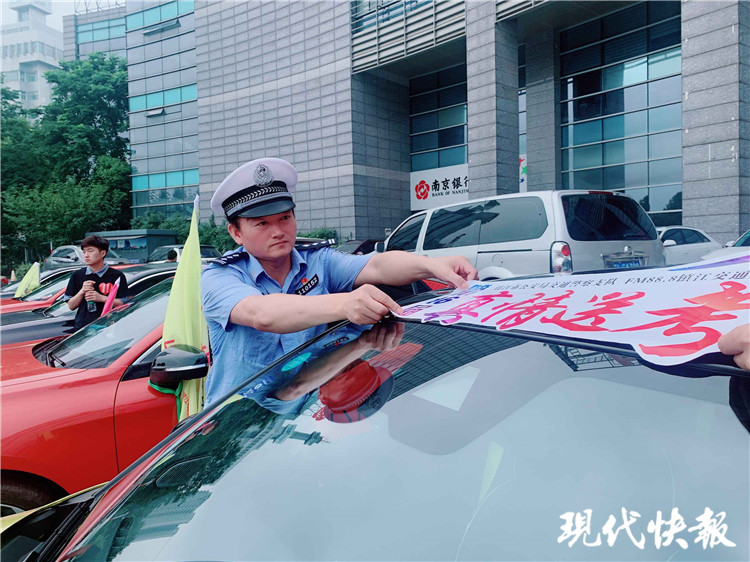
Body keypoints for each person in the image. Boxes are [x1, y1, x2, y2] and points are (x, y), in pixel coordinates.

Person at [202, 157, 478, 406]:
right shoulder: (220, 276)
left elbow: (377, 265)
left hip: (304, 403)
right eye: (261, 223)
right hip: (237, 418)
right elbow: (261, 314)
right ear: (236, 233)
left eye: (285, 217)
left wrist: (431, 266)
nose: (278, 231)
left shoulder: (317, 261)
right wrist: (346, 304)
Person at [64, 235, 130, 330]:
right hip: (82, 327)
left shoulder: (116, 276)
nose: (86, 255)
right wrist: (82, 291)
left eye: (90, 251)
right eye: (84, 252)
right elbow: (71, 306)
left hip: (108, 327)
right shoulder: (77, 275)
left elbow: (124, 303)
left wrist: (102, 298)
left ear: (103, 253)